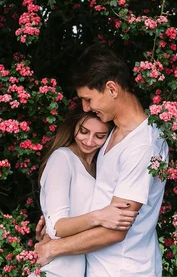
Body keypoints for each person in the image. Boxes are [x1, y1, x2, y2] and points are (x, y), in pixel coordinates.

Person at [35, 45, 169, 277]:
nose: (85, 107)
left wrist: (53, 248)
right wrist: (56, 225)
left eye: (88, 99)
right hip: (98, 267)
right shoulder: (113, 133)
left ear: (111, 89)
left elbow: (116, 231)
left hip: (125, 270)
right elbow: (97, 197)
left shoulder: (142, 146)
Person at [36, 108, 139, 277]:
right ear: (74, 126)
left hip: (85, 268)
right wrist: (99, 216)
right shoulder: (62, 158)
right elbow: (56, 227)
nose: (89, 141)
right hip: (57, 269)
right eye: (83, 132)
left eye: (99, 136)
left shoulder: (99, 167)